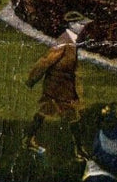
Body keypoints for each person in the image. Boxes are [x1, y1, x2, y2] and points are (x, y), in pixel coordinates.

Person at [24, 11, 94, 157]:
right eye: (80, 24)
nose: (82, 27)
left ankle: (28, 140)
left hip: (62, 86)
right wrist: (32, 78)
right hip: (58, 88)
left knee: (46, 111)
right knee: (72, 116)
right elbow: (46, 60)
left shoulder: (72, 40)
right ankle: (79, 149)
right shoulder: (64, 41)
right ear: (72, 25)